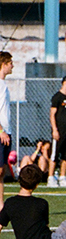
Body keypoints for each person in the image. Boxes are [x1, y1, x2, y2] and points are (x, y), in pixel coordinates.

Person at [0, 51, 13, 209]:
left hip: (6, 132)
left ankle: (1, 204)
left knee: (2, 171)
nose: (12, 66)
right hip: (1, 132)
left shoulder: (4, 85)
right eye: (10, 63)